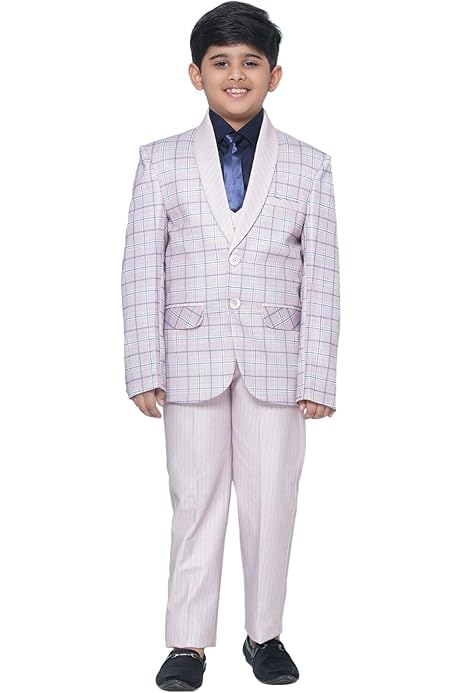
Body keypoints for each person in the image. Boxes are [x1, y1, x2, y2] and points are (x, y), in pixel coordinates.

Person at [120, 1, 340, 689]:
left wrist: (318, 375)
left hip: (279, 362)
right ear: (196, 74)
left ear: (275, 75)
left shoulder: (309, 165)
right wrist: (142, 365)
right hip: (188, 359)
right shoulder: (159, 161)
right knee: (194, 500)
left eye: (250, 62)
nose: (235, 74)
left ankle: (264, 634)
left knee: (272, 503)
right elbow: (140, 265)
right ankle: (187, 643)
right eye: (220, 62)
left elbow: (323, 274)